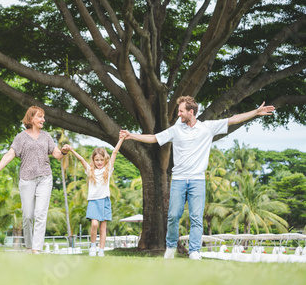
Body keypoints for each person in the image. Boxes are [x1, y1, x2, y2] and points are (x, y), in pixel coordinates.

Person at [120, 96, 275, 260]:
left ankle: (194, 251)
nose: (178, 114)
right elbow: (154, 138)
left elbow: (233, 119)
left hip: (197, 181)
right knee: (173, 216)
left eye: (181, 111)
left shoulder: (207, 128)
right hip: (179, 180)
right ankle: (171, 246)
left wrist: (256, 112)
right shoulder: (176, 129)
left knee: (196, 217)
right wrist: (132, 135)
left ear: (191, 112)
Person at [0, 106, 68, 254]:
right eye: (40, 117)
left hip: (45, 177)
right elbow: (9, 154)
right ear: (31, 119)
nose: (43, 119)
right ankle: (29, 246)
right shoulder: (21, 137)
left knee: (40, 213)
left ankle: (37, 248)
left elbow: (57, 154)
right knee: (28, 215)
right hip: (26, 179)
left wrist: (63, 151)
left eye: (43, 117)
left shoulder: (46, 137)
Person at [62, 135, 125, 257]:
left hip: (105, 201)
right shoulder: (90, 170)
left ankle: (101, 250)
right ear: (93, 160)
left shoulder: (108, 169)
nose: (99, 162)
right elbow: (81, 159)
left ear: (105, 160)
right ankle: (92, 246)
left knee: (103, 228)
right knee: (94, 224)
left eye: (101, 160)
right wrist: (71, 149)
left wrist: (122, 138)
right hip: (93, 201)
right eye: (97, 160)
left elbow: (115, 152)